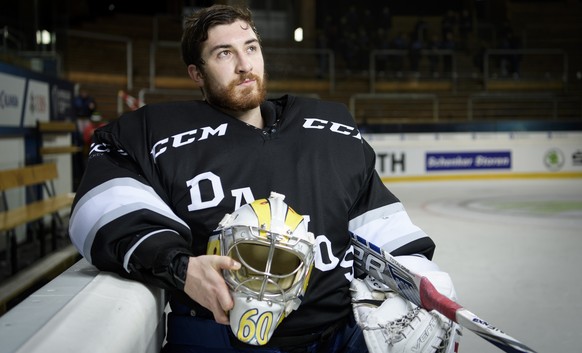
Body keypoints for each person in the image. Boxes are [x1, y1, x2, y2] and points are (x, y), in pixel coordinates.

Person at [68, 5, 459, 353]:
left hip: (342, 334)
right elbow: (100, 201)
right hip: (219, 337)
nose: (244, 65)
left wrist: (421, 277)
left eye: (251, 48)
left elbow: (375, 217)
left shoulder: (330, 126)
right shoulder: (155, 131)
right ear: (196, 73)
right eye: (224, 53)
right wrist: (178, 266)